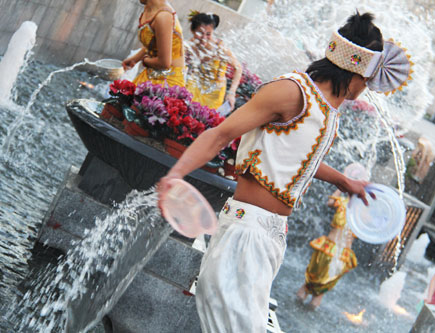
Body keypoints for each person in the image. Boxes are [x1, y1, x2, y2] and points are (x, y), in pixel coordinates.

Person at [158, 12, 412, 332]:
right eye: (370, 77)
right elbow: (220, 135)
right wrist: (174, 175)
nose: (370, 86)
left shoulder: (327, 110)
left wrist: (345, 181)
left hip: (270, 235)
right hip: (246, 230)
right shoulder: (291, 92)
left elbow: (298, 158)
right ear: (356, 68)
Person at [296, 163, 369, 309]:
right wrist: (343, 182)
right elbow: (330, 202)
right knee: (312, 278)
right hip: (327, 248)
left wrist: (367, 193)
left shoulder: (361, 213)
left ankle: (312, 306)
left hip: (342, 254)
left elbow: (372, 223)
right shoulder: (342, 203)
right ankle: (302, 296)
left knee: (325, 285)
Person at [185, 11, 242, 111]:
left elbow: (238, 68)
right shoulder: (189, 46)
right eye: (200, 33)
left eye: (208, 34)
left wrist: (231, 93)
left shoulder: (219, 47)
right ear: (192, 31)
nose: (204, 38)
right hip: (192, 88)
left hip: (214, 94)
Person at [122, 0, 185, 87]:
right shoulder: (149, 8)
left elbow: (164, 63)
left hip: (167, 84)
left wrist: (144, 60)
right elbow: (154, 43)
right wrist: (135, 59)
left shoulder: (164, 16)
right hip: (152, 75)